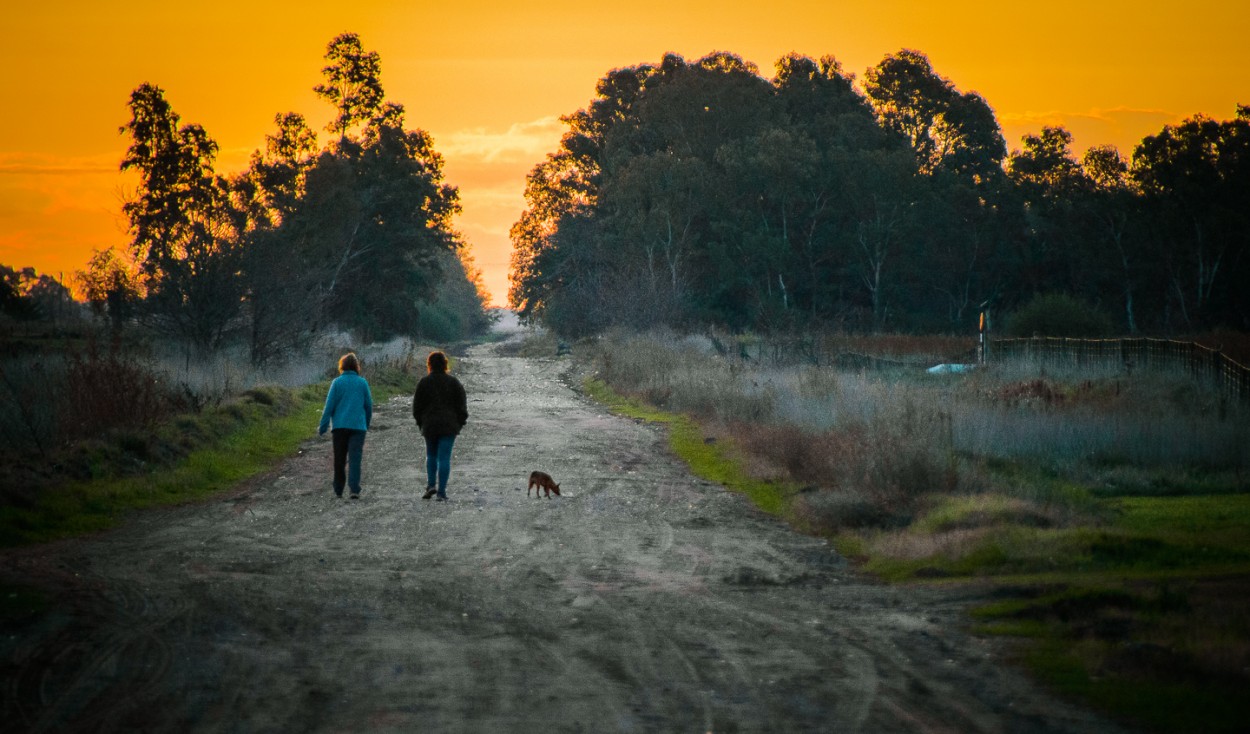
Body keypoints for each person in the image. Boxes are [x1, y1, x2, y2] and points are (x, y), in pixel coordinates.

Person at [412, 350, 467, 501]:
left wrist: (420, 422)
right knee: (444, 458)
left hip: (429, 425)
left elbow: (417, 407)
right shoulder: (454, 383)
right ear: (445, 364)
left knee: (431, 455)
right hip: (449, 425)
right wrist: (459, 423)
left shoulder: (424, 383)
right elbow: (462, 406)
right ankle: (441, 492)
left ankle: (431, 485)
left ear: (429, 365)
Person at [318, 352, 373, 499]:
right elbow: (368, 406)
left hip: (339, 427)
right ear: (356, 367)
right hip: (358, 427)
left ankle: (338, 489)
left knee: (339, 459)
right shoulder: (362, 383)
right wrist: (366, 423)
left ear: (342, 366)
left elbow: (329, 407)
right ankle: (354, 489)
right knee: (355, 458)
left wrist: (323, 426)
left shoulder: (336, 383)